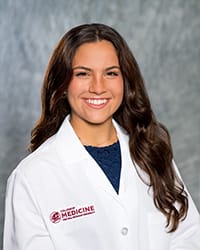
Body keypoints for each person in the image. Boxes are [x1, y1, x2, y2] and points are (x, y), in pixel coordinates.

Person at [3, 23, 200, 250]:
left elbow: (188, 237)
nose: (98, 87)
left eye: (111, 73)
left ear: (125, 81)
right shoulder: (31, 177)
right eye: (83, 74)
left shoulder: (152, 154)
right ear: (63, 84)